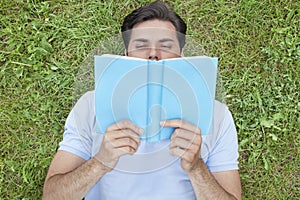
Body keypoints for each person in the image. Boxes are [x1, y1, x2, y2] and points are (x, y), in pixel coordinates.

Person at [43, 1, 242, 199]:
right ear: (126, 54)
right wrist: (100, 162)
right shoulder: (90, 105)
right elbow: (51, 196)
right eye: (141, 45)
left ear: (182, 55)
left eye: (166, 45)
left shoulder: (217, 115)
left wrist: (196, 168)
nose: (153, 54)